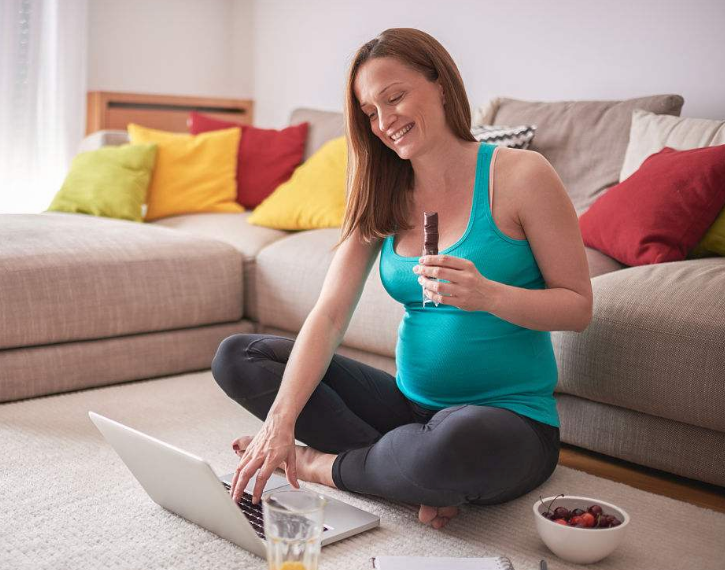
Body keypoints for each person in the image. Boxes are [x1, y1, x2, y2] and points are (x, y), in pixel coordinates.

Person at [210, 28, 592, 530]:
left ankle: (323, 465)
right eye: (370, 112)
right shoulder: (382, 190)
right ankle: (397, 468)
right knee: (239, 357)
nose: (385, 121)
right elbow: (328, 315)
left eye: (395, 97)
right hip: (408, 410)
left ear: (440, 84)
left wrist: (488, 295)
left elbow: (578, 307)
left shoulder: (520, 175)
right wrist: (279, 424)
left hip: (508, 419)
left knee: (453, 444)